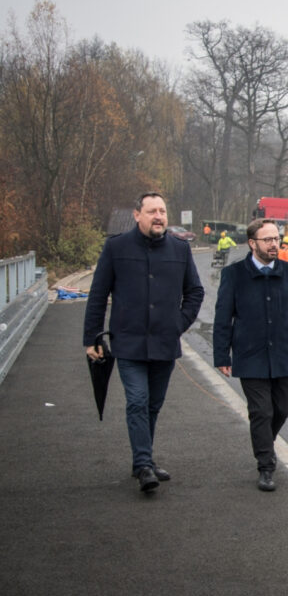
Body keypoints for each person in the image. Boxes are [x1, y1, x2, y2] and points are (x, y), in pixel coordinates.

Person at [83, 192, 204, 494]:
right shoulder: (116, 247)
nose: (158, 216)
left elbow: (195, 292)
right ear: (137, 215)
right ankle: (144, 466)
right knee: (137, 400)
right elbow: (98, 294)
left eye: (162, 211)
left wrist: (178, 324)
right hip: (128, 342)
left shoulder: (179, 249)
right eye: (152, 211)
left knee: (152, 405)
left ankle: (142, 460)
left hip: (164, 343)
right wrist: (91, 337)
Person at [213, 219, 288, 492]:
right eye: (267, 239)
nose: (274, 244)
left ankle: (265, 442)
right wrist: (222, 356)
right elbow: (223, 317)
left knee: (282, 408)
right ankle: (266, 466)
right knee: (261, 412)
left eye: (276, 239)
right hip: (250, 355)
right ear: (252, 243)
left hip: (284, 354)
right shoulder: (234, 274)